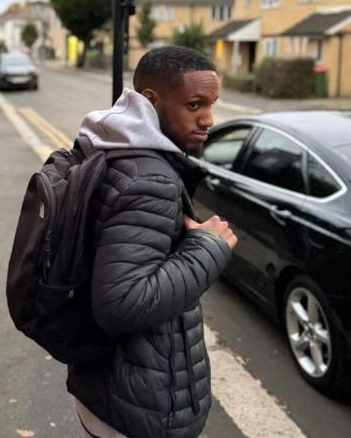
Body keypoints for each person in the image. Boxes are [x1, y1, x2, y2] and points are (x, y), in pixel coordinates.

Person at [68, 46, 238, 438]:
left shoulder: (108, 145)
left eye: (212, 104)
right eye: (195, 104)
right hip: (138, 409)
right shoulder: (151, 180)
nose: (209, 119)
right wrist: (209, 247)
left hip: (105, 384)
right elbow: (122, 304)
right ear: (150, 100)